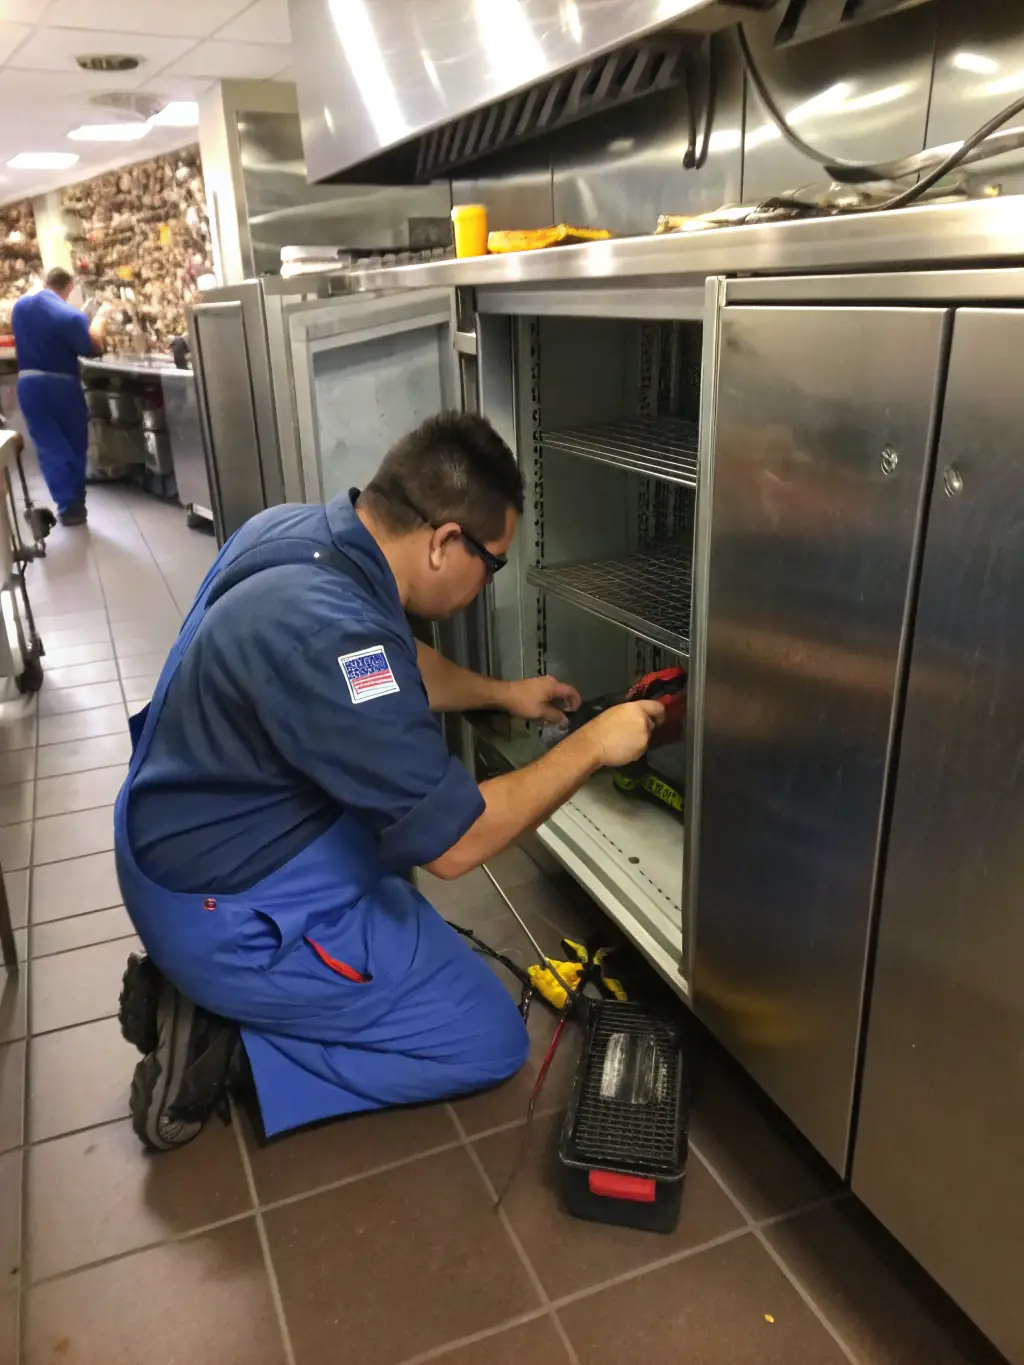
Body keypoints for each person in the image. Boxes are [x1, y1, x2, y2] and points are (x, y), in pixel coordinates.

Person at [115, 411, 664, 1151]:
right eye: (494, 563)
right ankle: (226, 1042)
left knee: (393, 851)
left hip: (183, 824)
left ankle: (261, 991)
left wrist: (503, 693)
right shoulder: (327, 629)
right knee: (487, 1040)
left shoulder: (304, 535)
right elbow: (459, 841)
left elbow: (389, 664)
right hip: (222, 906)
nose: (490, 581)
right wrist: (594, 746)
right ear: (443, 541)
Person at [12, 268, 110, 526]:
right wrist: (100, 319)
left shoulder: (20, 307)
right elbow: (93, 348)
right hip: (62, 386)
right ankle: (74, 504)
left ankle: (69, 506)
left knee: (49, 445)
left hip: (29, 385)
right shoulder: (71, 316)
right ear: (70, 287)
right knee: (73, 443)